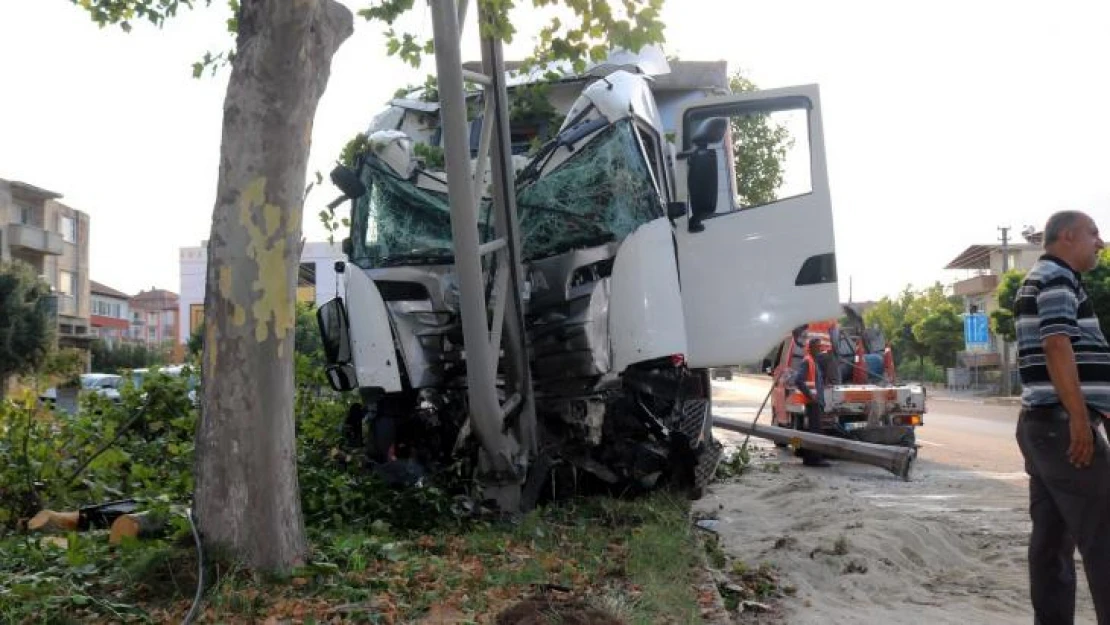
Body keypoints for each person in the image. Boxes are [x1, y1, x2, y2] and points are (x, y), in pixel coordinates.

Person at [1014, 210, 1110, 624]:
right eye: (1094, 234)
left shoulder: (1045, 276)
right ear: (1068, 236)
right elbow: (1057, 344)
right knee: (1103, 536)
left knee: (1052, 541)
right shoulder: (1056, 277)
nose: (1100, 243)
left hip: (1043, 425)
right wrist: (1077, 420)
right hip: (1060, 426)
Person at [790, 337, 830, 467]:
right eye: (817, 346)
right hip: (812, 403)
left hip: (816, 402)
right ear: (811, 347)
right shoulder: (807, 361)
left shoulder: (813, 361)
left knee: (814, 431)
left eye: (820, 346)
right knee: (815, 432)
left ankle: (810, 459)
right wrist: (811, 395)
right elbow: (798, 380)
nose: (820, 348)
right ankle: (814, 460)